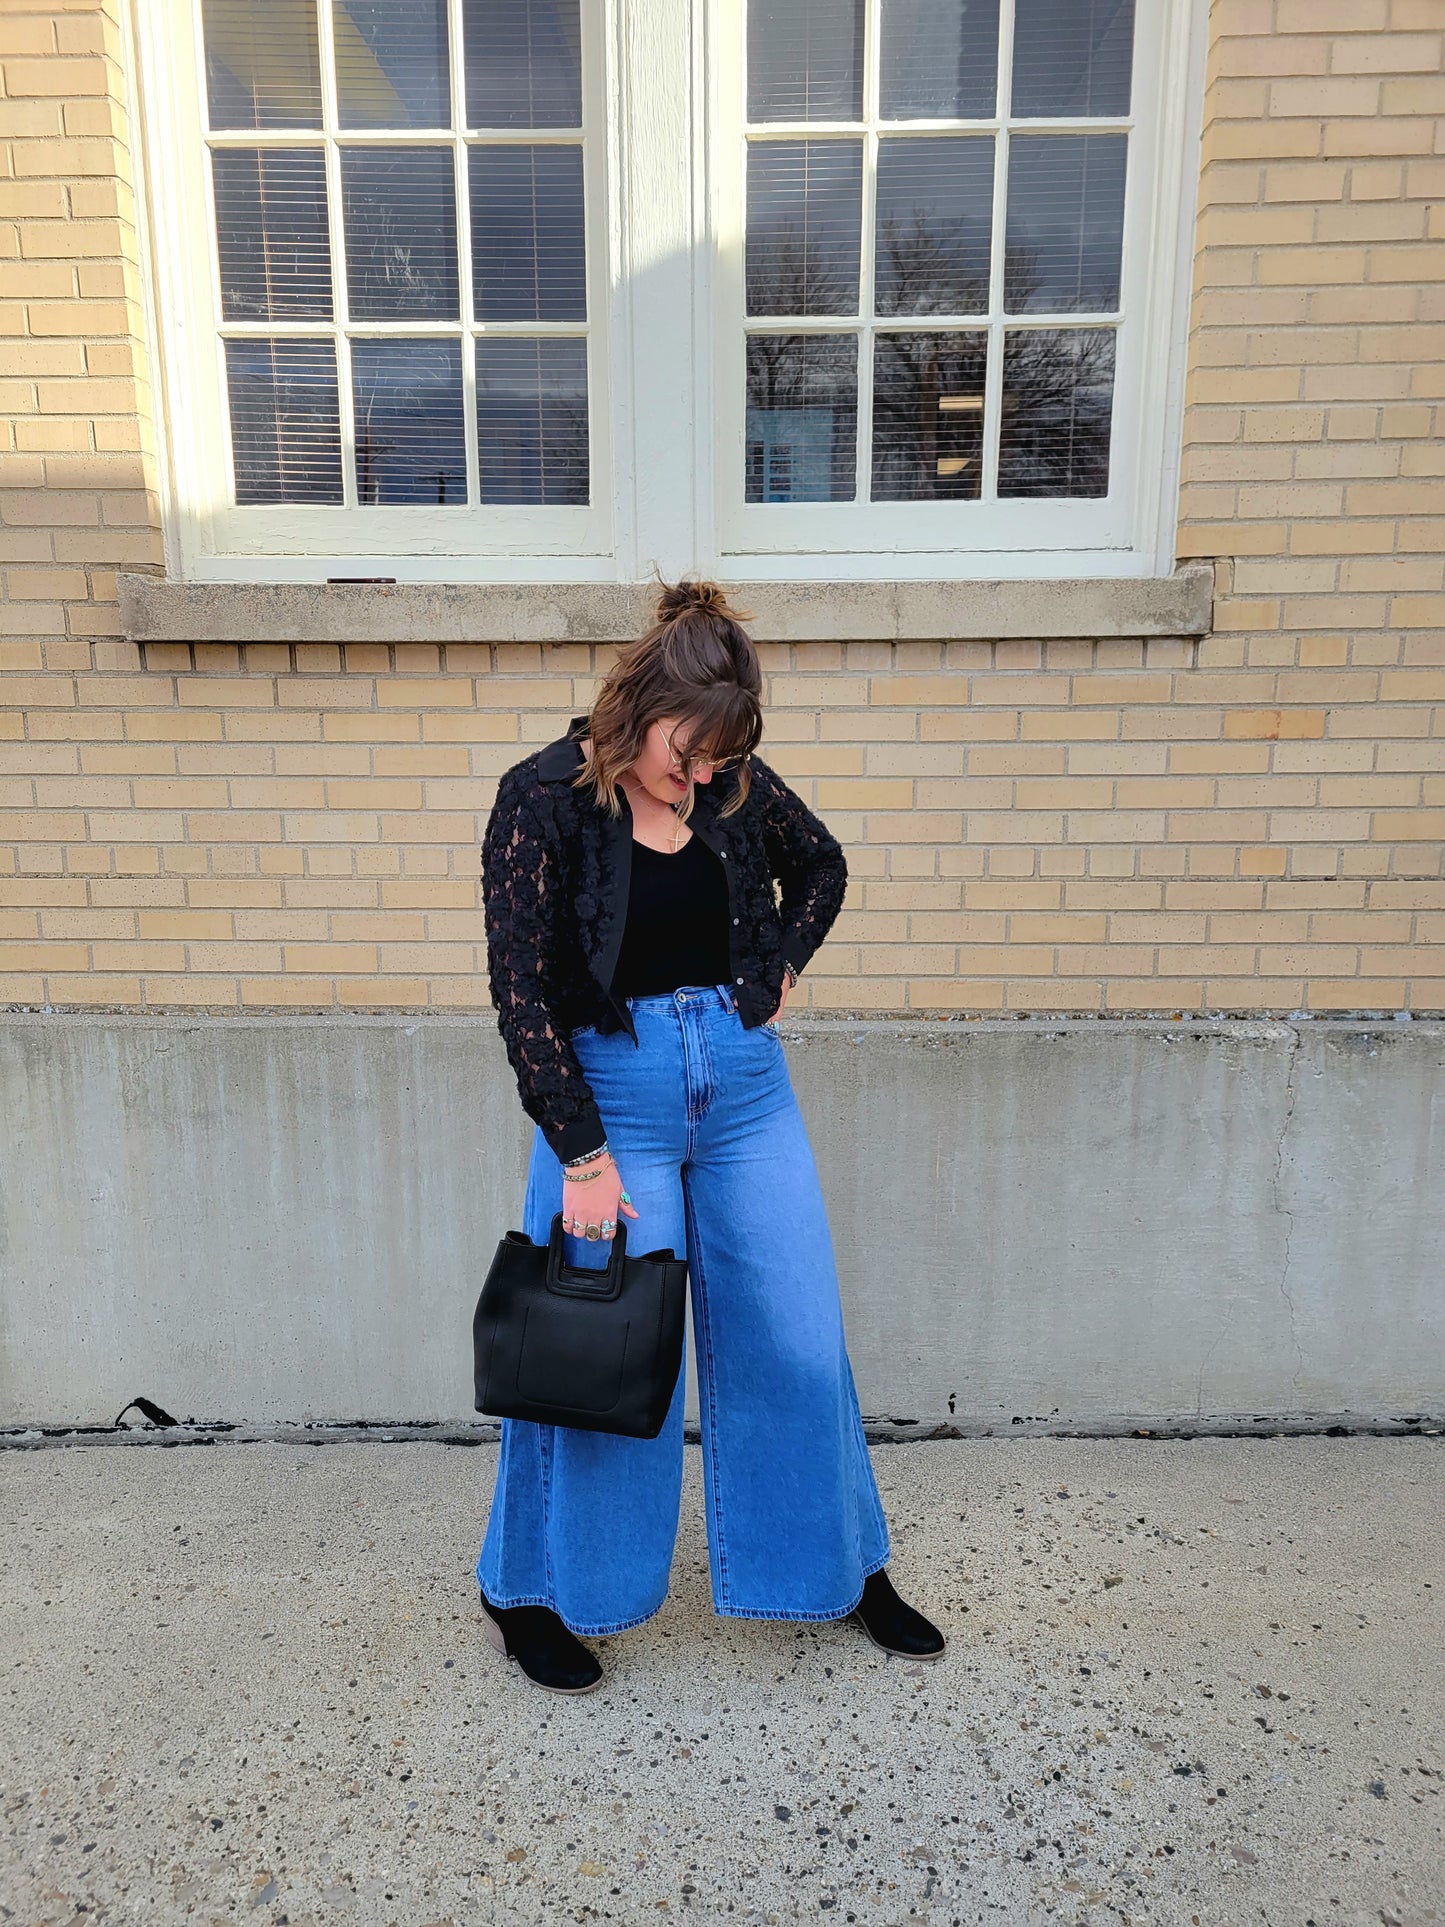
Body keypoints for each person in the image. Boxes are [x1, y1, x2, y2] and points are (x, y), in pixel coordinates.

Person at [475, 578, 946, 1693]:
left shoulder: (732, 782)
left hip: (744, 1096)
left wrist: (779, 964)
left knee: (798, 1335)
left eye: (718, 758)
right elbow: (520, 995)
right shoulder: (538, 799)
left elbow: (821, 864)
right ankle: (528, 1589)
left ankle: (842, 1565)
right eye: (684, 753)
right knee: (599, 1355)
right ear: (639, 706)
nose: (698, 778)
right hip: (613, 1104)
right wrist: (581, 1157)